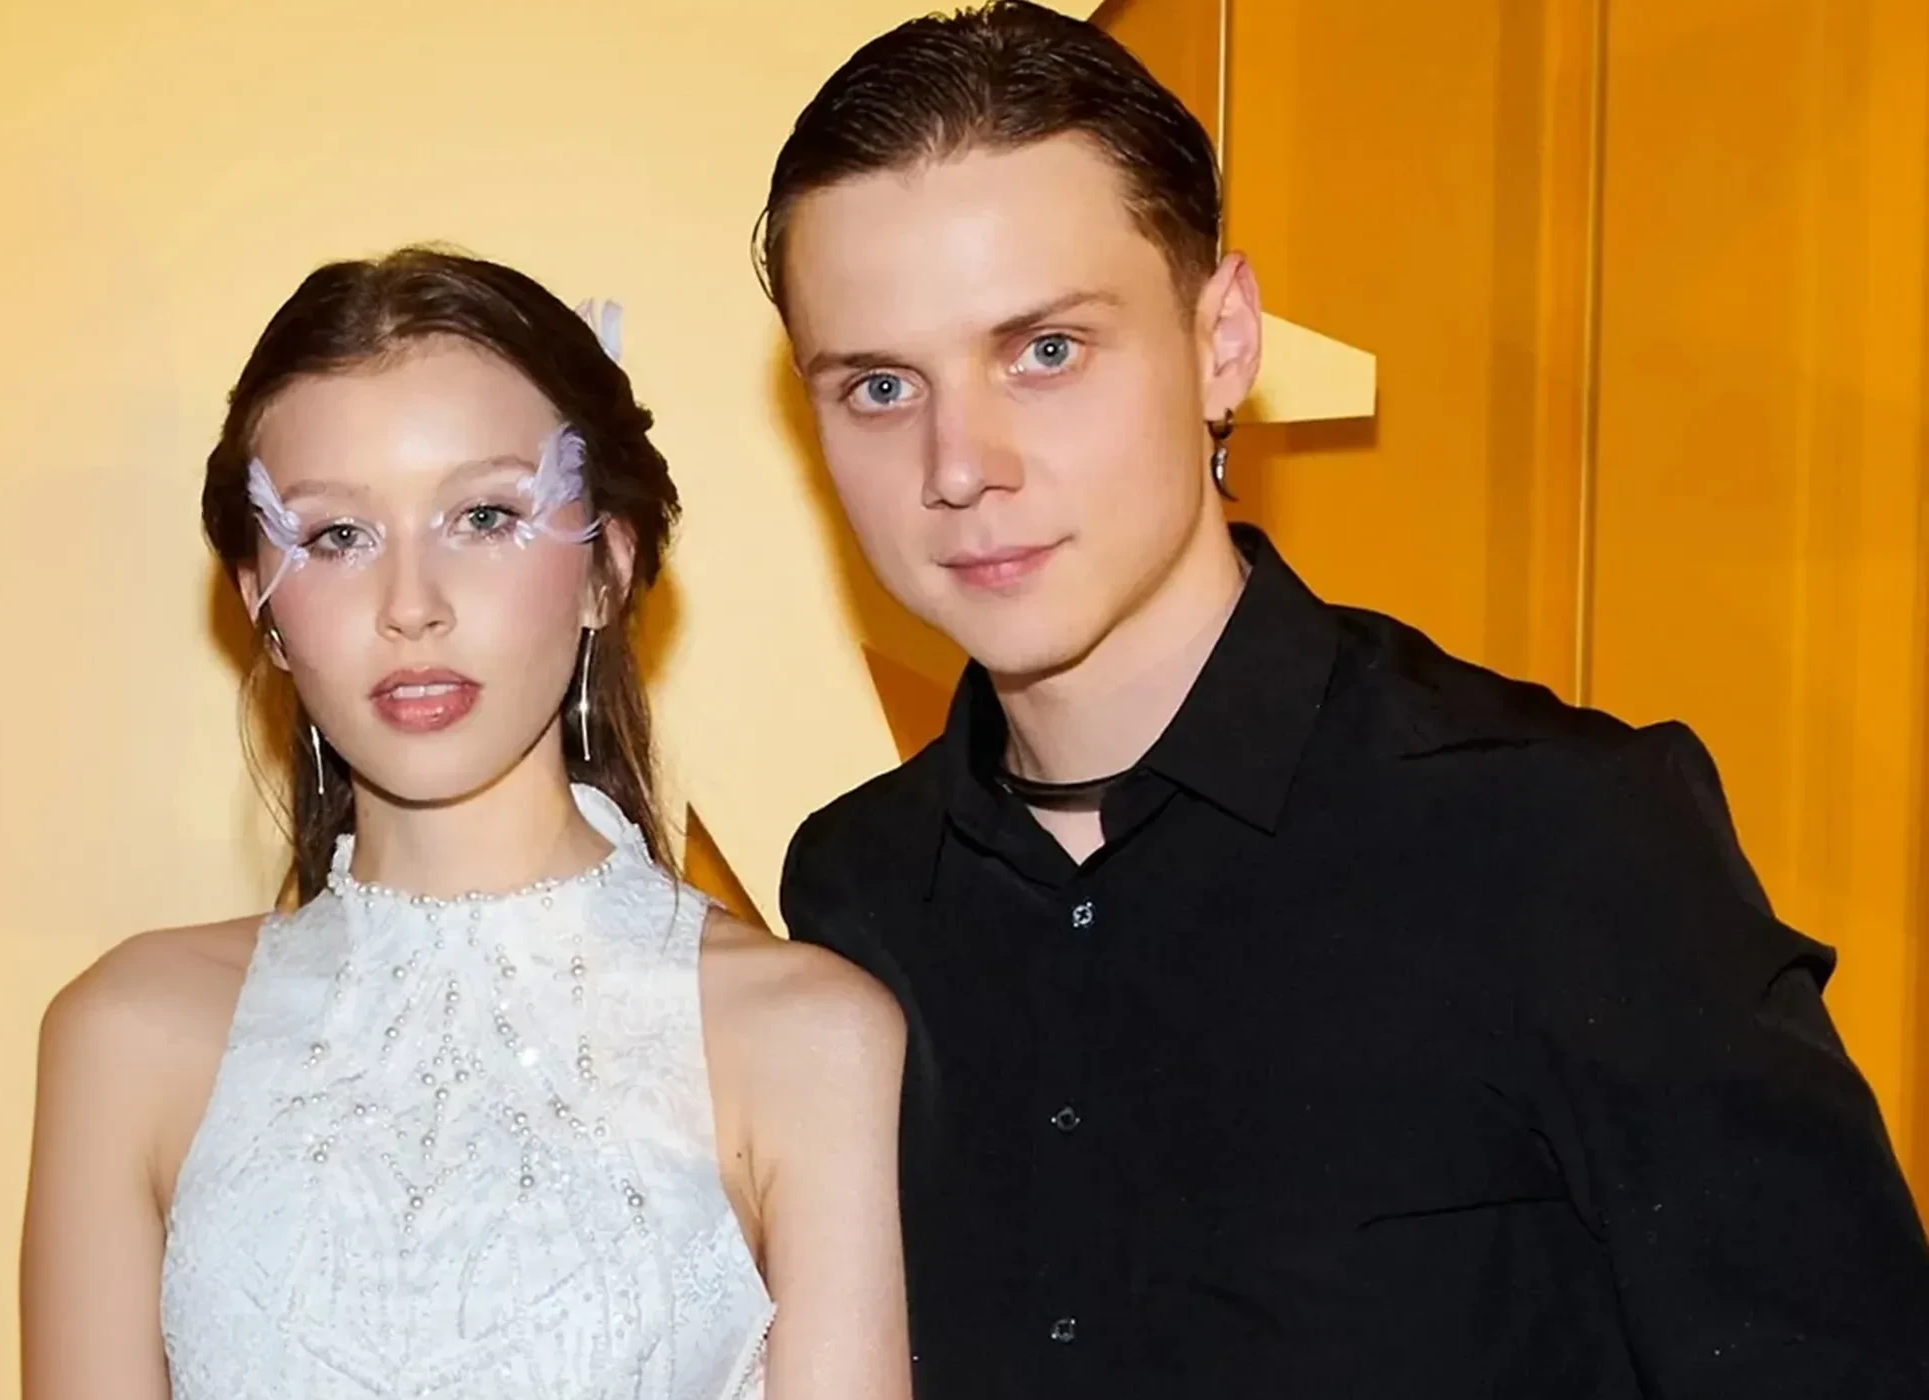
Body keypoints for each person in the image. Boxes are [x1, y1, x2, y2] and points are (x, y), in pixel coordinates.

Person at [762, 4, 1929, 1397]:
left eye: (1047, 350)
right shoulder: (855, 891)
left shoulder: (1559, 835)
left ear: (1223, 340)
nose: (961, 463)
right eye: (880, 385)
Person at [19, 248, 909, 1400]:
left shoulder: (811, 1037)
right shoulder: (126, 1035)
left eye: (485, 516)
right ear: (260, 602)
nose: (411, 606)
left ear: (608, 564)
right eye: (336, 536)